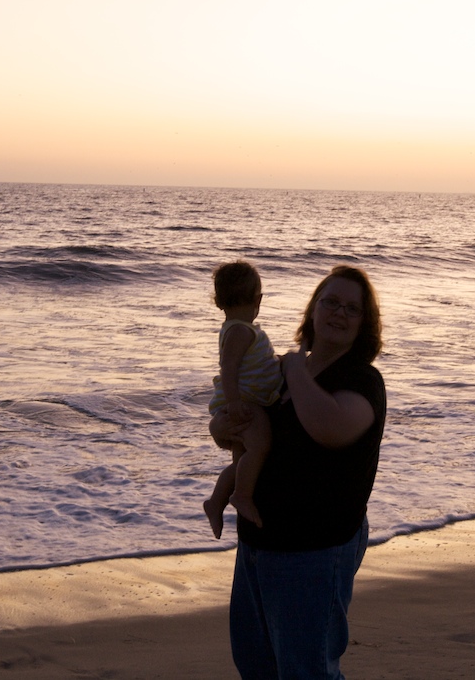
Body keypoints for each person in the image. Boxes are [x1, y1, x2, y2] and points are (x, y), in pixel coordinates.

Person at [211, 265, 386, 679]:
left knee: (306, 672)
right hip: (257, 544)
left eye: (352, 308)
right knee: (258, 667)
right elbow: (242, 432)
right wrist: (220, 425)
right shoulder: (275, 376)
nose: (338, 313)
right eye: (330, 302)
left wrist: (294, 369)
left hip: (313, 551)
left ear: (364, 323)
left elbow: (330, 428)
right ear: (312, 310)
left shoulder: (361, 380)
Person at [204, 261, 284, 539]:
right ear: (257, 300)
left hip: (246, 400)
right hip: (247, 404)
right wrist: (235, 402)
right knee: (261, 445)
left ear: (219, 301)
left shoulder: (237, 328)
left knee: (241, 464)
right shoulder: (240, 330)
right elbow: (229, 368)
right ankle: (242, 496)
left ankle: (215, 502)